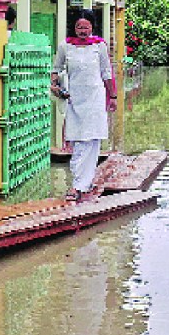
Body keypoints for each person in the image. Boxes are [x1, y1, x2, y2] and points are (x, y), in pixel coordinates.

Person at [51, 12, 117, 202]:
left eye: (86, 27)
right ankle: (81, 182)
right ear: (74, 27)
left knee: (91, 140)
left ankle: (79, 185)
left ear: (92, 27)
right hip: (74, 99)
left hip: (95, 98)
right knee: (76, 140)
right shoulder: (65, 46)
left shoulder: (99, 46)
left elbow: (106, 72)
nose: (82, 31)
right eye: (79, 27)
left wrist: (112, 96)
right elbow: (56, 69)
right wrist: (55, 84)